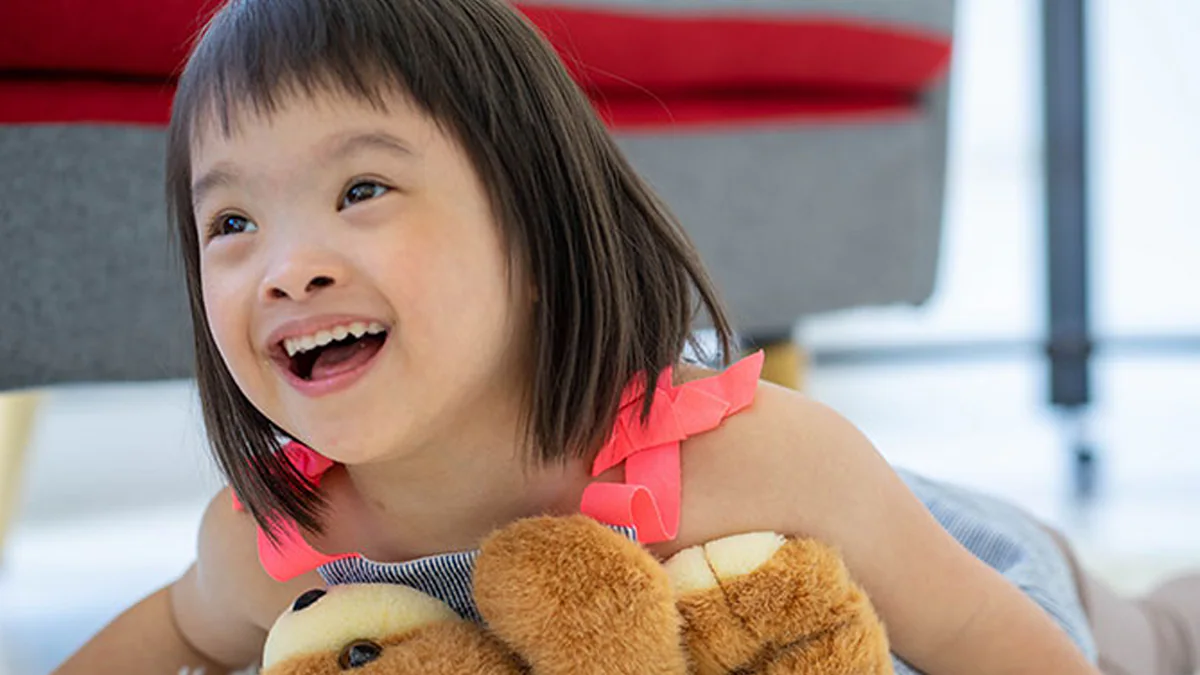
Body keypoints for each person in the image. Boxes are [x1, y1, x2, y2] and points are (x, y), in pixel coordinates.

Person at [52, 1, 1197, 673]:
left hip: (974, 584)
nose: (285, 264)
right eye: (232, 221)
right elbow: (170, 634)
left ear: (538, 234)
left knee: (1153, 633)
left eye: (362, 190)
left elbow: (971, 628)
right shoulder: (272, 541)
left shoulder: (752, 463)